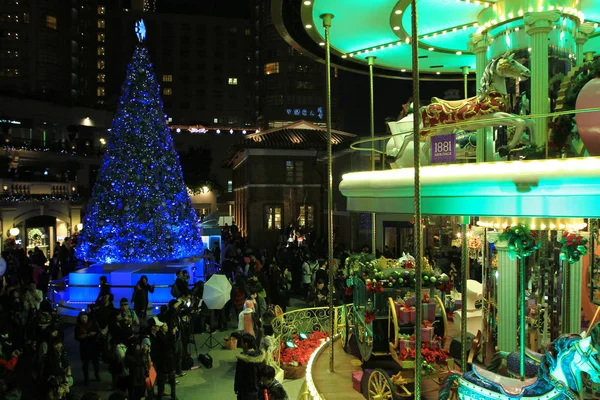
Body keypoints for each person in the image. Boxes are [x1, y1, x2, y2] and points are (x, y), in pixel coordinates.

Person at [234, 333, 265, 400]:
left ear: (246, 344)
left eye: (241, 343)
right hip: (256, 390)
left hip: (245, 391)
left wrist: (236, 388)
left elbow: (239, 375)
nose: (240, 345)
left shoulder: (242, 359)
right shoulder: (260, 357)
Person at [74, 312, 101, 385]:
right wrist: (82, 337)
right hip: (84, 347)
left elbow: (98, 332)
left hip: (94, 345)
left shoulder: (93, 323)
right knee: (85, 364)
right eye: (82, 318)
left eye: (85, 317)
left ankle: (97, 375)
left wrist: (94, 333)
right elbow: (76, 337)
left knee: (95, 362)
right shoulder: (78, 326)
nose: (84, 319)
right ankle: (86, 379)